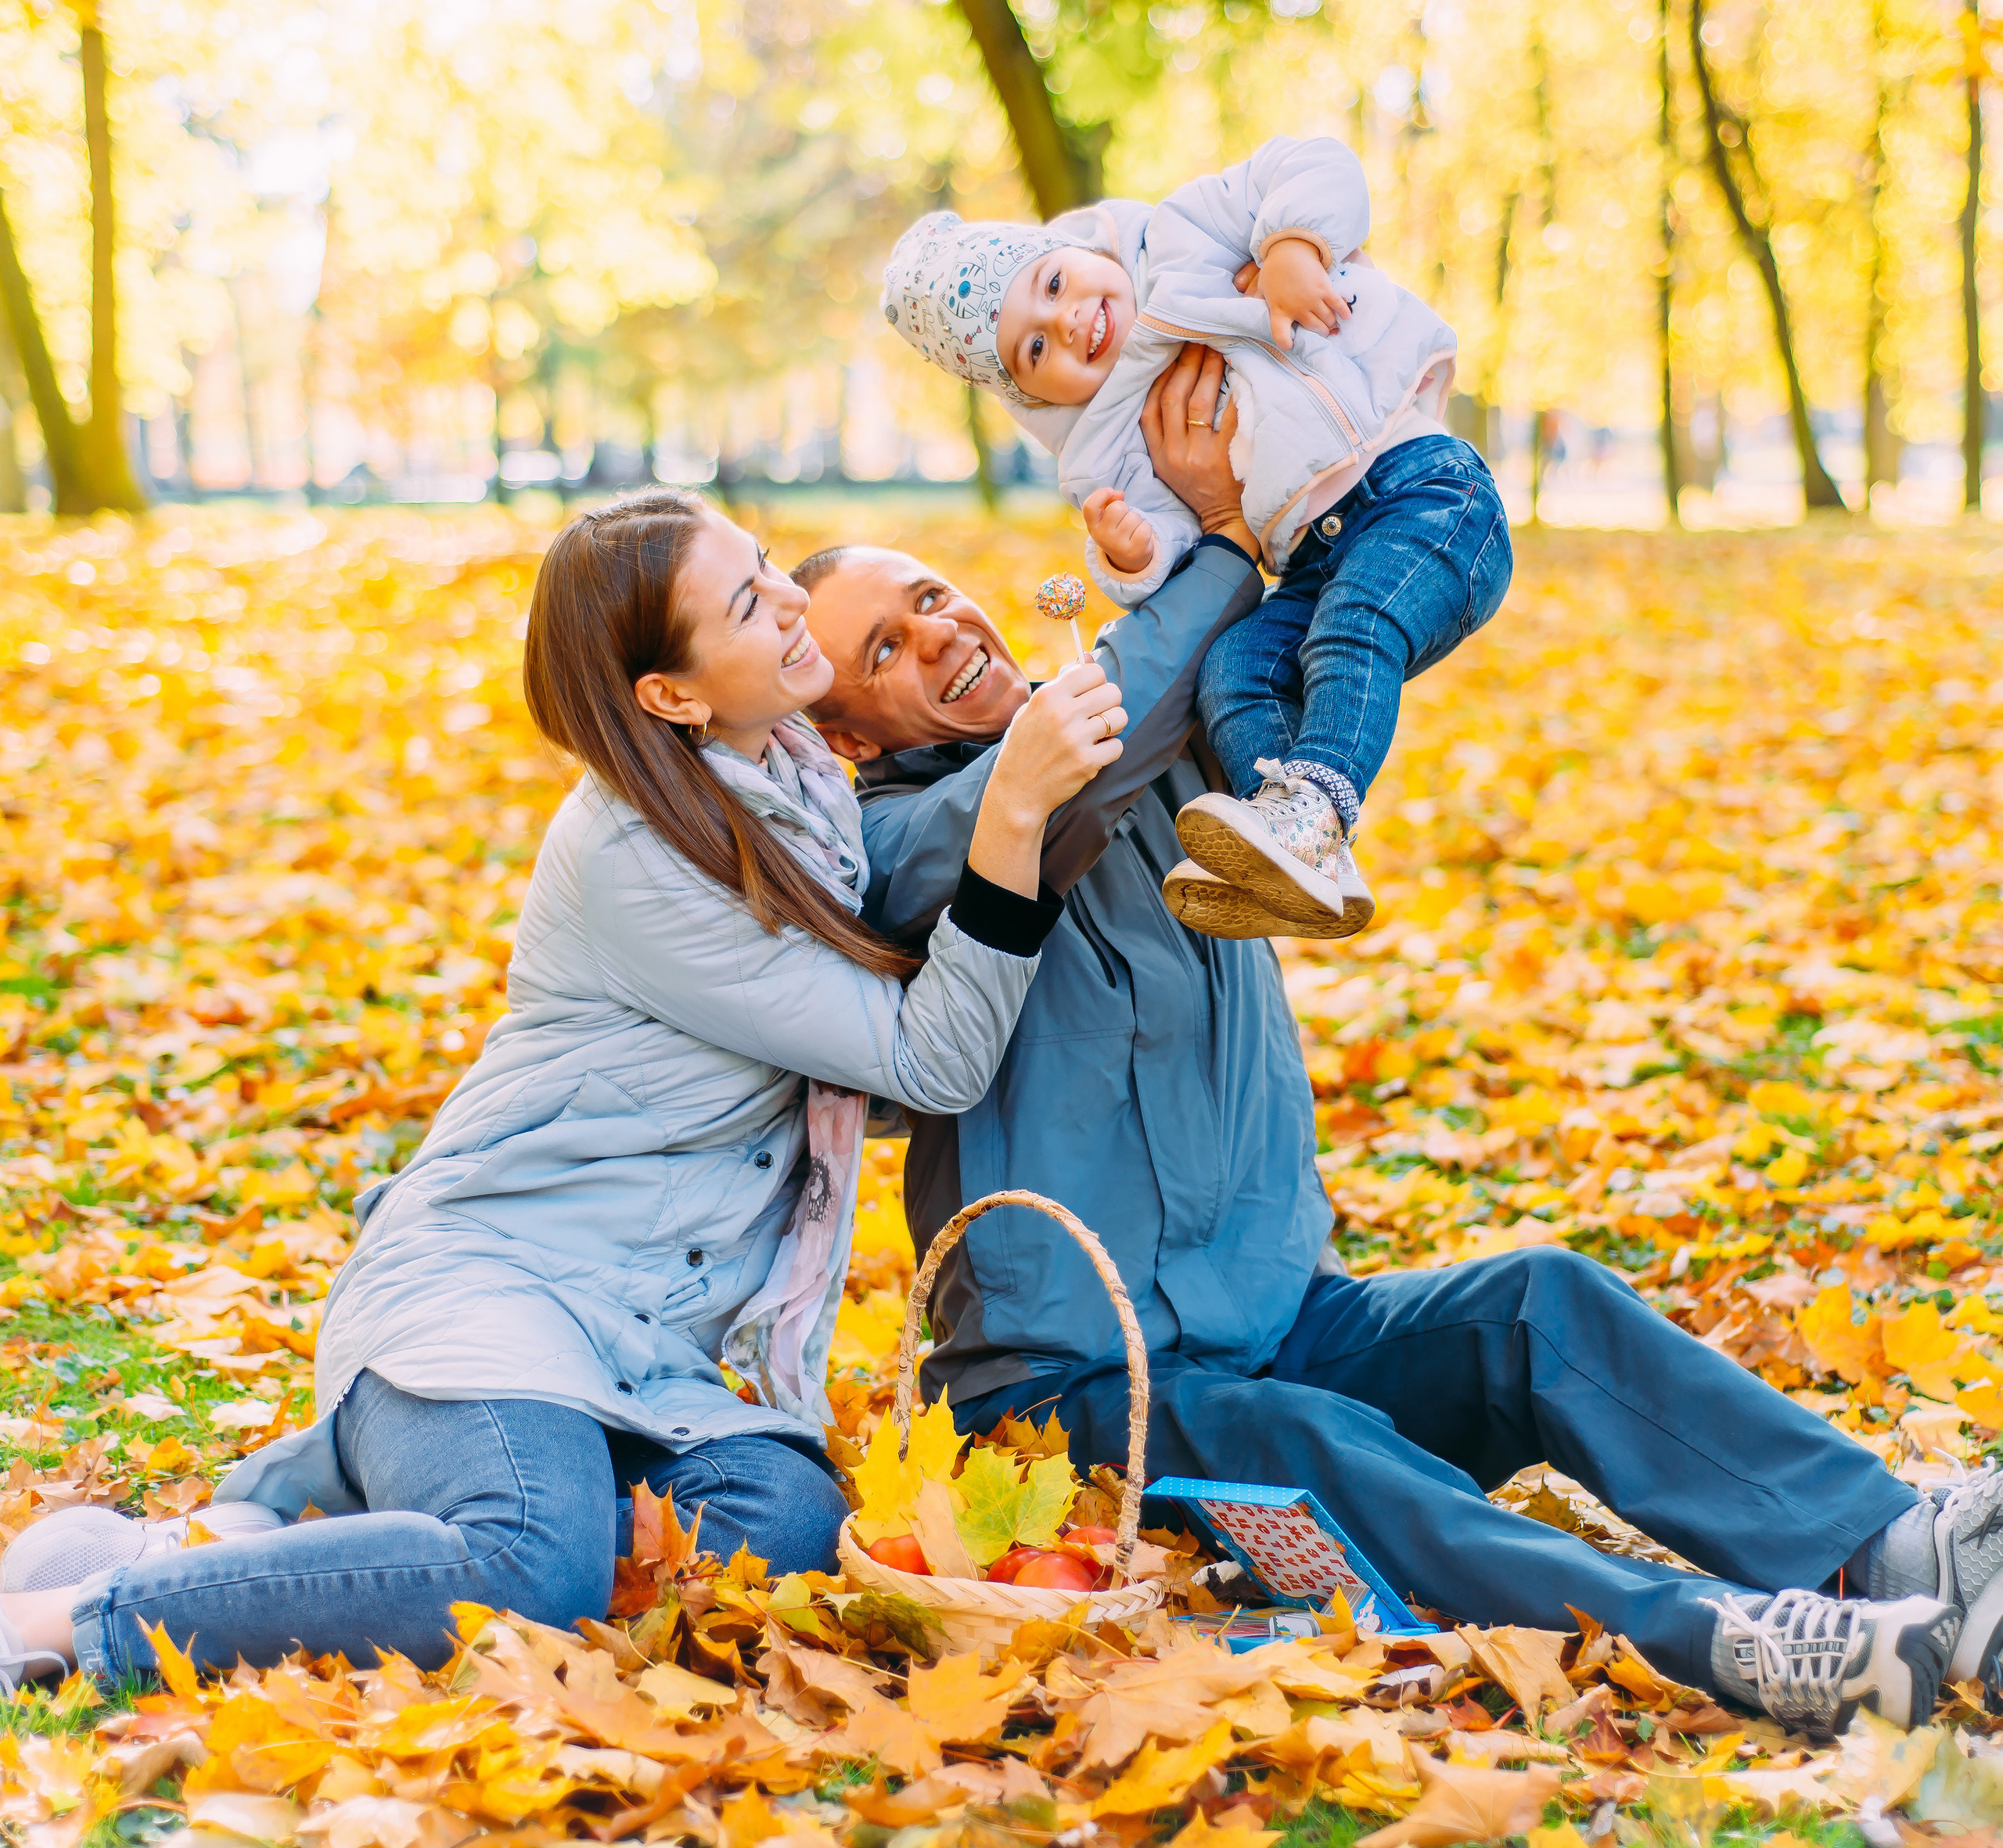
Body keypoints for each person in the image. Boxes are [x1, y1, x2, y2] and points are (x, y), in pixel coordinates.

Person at [800, 346, 2003, 1741]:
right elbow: (1097, 736)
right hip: (1077, 1405)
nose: (939, 634)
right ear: (840, 733)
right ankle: (1734, 1643)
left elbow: (1251, 658)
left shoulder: (1168, 767)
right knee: (1305, 1449)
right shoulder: (899, 849)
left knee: (1536, 1305)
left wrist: (1224, 507)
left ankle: (1897, 1549)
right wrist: (1219, 549)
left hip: (1289, 1323)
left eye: (932, 597)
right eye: (884, 649)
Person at [0, 488, 1124, 1692]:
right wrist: (1013, 814)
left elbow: (856, 1070)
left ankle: (266, 1548)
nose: (795, 600)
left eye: (763, 566)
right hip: (496, 1298)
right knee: (533, 1569)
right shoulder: (638, 854)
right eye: (750, 601)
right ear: (672, 696)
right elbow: (922, 1061)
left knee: (785, 1525)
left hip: (643, 1346)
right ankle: (82, 1610)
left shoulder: (795, 787)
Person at [879, 136, 1511, 943]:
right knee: (1234, 671)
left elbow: (1314, 161)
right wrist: (1131, 553)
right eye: (1033, 348)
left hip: (1415, 486)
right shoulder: (1103, 446)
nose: (1068, 320)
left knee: (1353, 630)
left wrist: (1290, 245)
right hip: (1312, 556)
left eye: (1053, 282)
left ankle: (1311, 814)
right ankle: (1287, 849)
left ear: (1076, 245)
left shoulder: (1183, 235)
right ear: (1025, 395)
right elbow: (1178, 542)